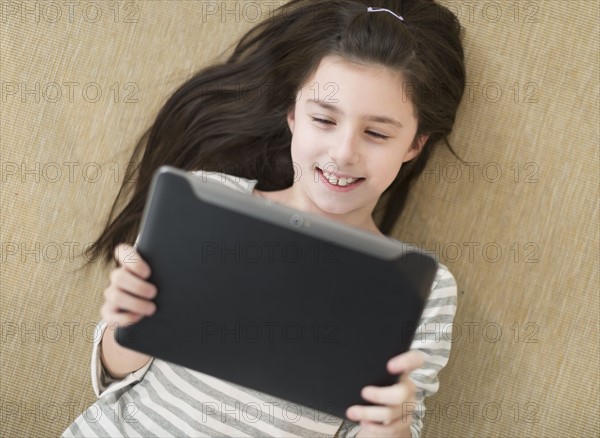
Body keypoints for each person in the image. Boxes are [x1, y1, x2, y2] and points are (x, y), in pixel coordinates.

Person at [64, 0, 465, 436]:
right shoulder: (206, 202)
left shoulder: (421, 288)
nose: (344, 152)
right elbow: (112, 377)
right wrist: (127, 325)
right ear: (293, 115)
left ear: (413, 146)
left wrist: (392, 420)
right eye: (323, 119)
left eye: (376, 133)